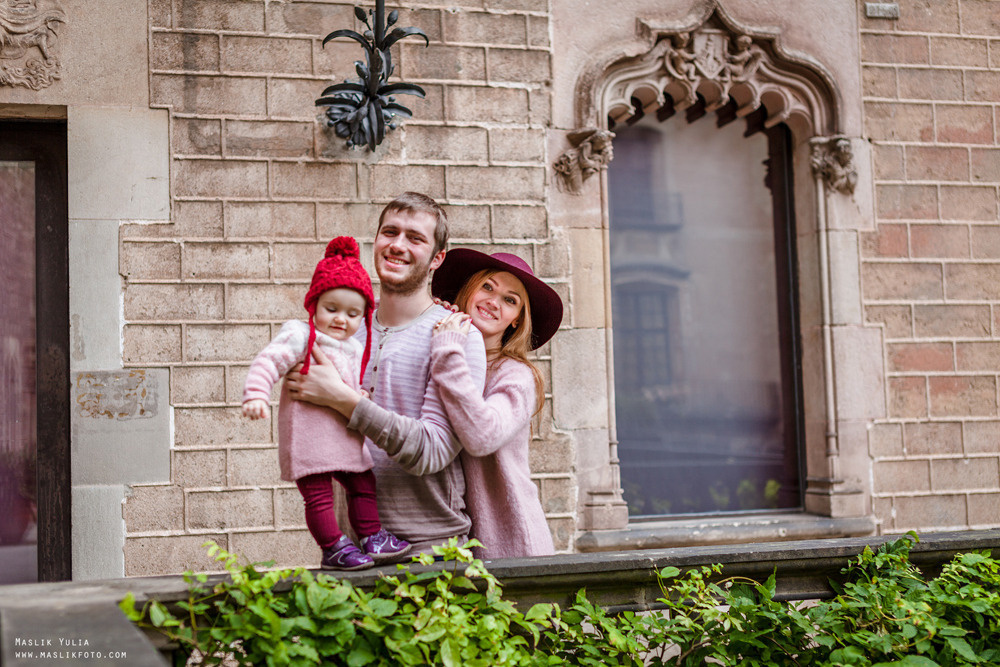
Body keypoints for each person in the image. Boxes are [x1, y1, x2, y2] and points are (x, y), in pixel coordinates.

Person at [285, 193, 487, 555]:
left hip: (430, 551)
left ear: (437, 258)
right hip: (349, 551)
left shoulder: (457, 336)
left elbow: (433, 450)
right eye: (389, 232)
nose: (397, 245)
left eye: (415, 238)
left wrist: (343, 399)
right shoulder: (341, 329)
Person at [241, 236, 410, 570]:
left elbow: (345, 385)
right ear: (314, 305)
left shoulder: (349, 346)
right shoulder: (301, 335)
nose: (340, 320)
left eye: (352, 314)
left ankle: (372, 535)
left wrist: (357, 395)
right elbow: (268, 362)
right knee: (318, 495)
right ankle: (333, 547)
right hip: (308, 437)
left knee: (363, 483)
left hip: (343, 437)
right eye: (331, 309)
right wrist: (256, 394)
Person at [429, 250, 563, 558]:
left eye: (510, 300)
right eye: (487, 287)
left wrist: (448, 350)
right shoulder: (440, 344)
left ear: (516, 319)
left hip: (510, 543)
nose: (494, 301)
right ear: (469, 290)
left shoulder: (516, 376)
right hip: (446, 540)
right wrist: (428, 326)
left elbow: (482, 435)